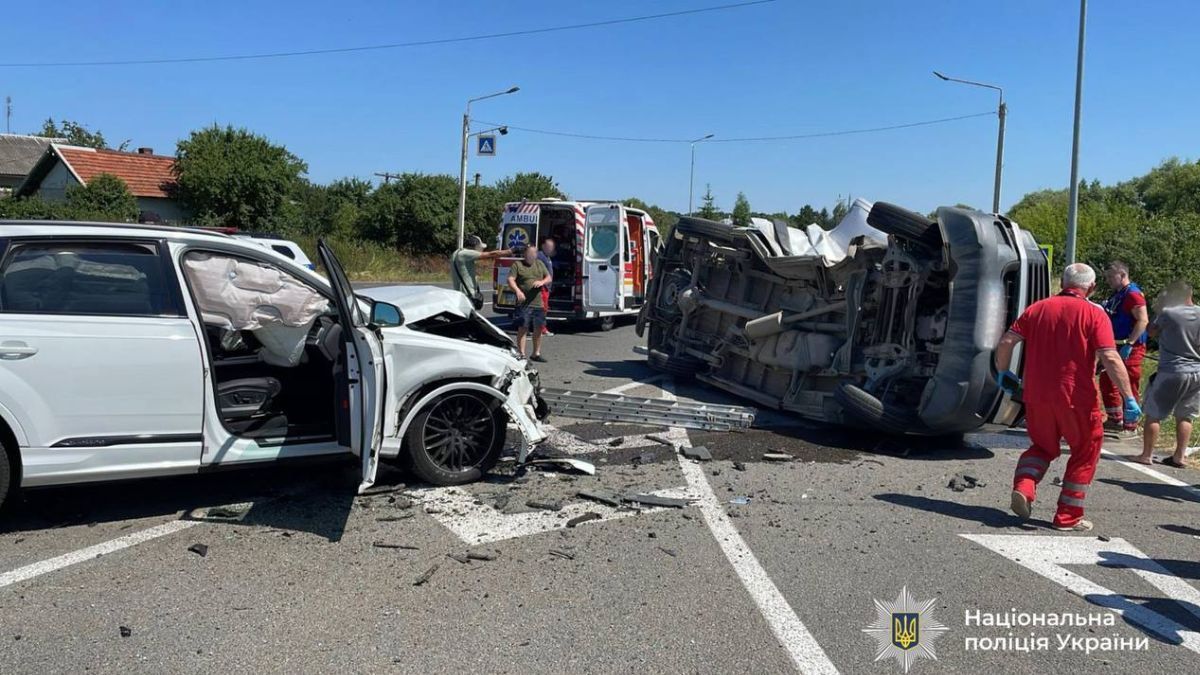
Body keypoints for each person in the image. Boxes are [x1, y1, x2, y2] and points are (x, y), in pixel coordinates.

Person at [993, 263, 1141, 532]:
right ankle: (1068, 517)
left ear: (1062, 282)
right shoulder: (1094, 314)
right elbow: (1109, 356)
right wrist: (1128, 397)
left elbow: (1006, 342)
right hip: (1076, 398)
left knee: (1042, 447)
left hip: (1035, 396)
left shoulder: (1037, 308)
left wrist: (1003, 373)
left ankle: (1025, 487)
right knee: (1085, 452)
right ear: (1092, 287)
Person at [1137, 281, 1200, 467]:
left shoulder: (1169, 313)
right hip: (1196, 371)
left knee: (1154, 413)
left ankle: (1146, 455)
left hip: (1172, 370)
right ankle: (1179, 456)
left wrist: (1159, 309)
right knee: (1185, 415)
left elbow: (1151, 332)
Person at [1099, 261, 1149, 431]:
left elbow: (1143, 320)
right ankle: (1115, 418)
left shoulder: (1133, 294)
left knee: (1127, 381)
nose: (1109, 281)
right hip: (1115, 344)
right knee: (1108, 380)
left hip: (1130, 347)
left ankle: (1131, 424)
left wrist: (1130, 343)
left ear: (1122, 275)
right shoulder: (1119, 294)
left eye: (1111, 277)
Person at [507, 244, 551, 363]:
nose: (533, 255)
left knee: (538, 328)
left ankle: (536, 353)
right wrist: (517, 291)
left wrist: (542, 282)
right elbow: (510, 279)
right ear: (525, 254)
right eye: (531, 253)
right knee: (523, 328)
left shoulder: (539, 264)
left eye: (535, 253)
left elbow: (549, 277)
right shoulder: (518, 265)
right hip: (524, 303)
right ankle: (521, 354)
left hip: (538, 303)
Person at [450, 235, 511, 309]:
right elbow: (491, 254)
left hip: (460, 294)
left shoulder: (457, 253)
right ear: (475, 246)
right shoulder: (465, 254)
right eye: (480, 247)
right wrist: (510, 251)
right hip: (467, 295)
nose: (482, 250)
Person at [538, 237, 556, 337]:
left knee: (544, 309)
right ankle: (542, 329)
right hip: (542, 287)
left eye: (552, 247)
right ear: (543, 246)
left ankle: (541, 328)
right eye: (549, 247)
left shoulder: (547, 256)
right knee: (542, 309)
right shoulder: (540, 256)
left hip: (546, 287)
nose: (551, 249)